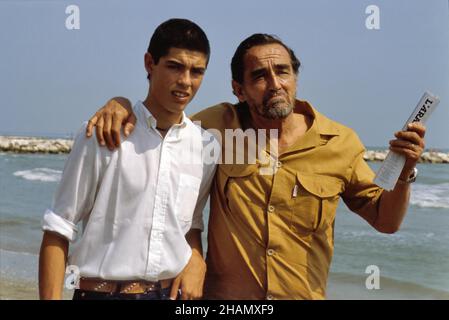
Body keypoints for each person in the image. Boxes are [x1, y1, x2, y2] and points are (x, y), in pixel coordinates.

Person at [85, 33, 426, 299]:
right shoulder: (215, 129)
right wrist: (121, 104)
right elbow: (159, 126)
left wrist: (407, 171)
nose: (275, 83)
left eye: (283, 72)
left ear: (295, 77)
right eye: (260, 76)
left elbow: (386, 221)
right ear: (239, 89)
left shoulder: (339, 142)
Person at [38, 18, 219, 300]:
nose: (185, 81)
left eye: (197, 71)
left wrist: (197, 258)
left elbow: (191, 224)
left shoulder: (205, 147)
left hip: (169, 294)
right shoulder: (101, 135)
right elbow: (59, 228)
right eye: (175, 66)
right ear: (150, 63)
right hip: (100, 293)